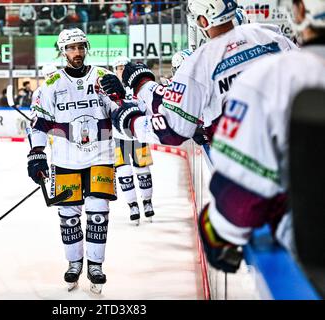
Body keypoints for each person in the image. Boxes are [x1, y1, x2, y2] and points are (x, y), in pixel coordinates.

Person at [196, 0, 325, 273]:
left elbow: (242, 201)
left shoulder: (271, 77)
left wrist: (214, 229)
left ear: (301, 10)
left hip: (313, 255)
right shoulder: (273, 44)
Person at [103, 0, 297, 149]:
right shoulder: (270, 34)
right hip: (295, 144)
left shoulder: (198, 63)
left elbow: (174, 130)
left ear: (203, 20)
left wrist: (131, 121)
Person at [27, 28, 119, 294]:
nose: (77, 53)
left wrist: (122, 97)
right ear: (62, 51)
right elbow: (39, 124)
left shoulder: (103, 77)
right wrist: (37, 153)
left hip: (100, 156)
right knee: (69, 217)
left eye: (80, 47)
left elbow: (120, 114)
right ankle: (74, 263)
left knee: (98, 214)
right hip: (65, 159)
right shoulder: (52, 83)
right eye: (71, 48)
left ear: (86, 47)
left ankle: (96, 265)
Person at [112, 56, 155, 225]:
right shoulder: (110, 87)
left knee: (143, 171)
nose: (121, 70)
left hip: (139, 136)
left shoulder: (137, 85)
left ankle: (147, 201)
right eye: (118, 67)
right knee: (124, 173)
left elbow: (147, 106)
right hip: (118, 138)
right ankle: (133, 206)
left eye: (123, 66)